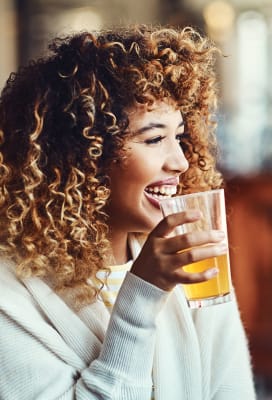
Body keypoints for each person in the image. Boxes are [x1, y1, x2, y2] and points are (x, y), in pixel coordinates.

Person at [0, 25, 256, 399]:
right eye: (154, 139)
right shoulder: (11, 296)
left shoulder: (188, 257)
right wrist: (143, 294)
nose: (182, 162)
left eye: (179, 136)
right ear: (82, 157)